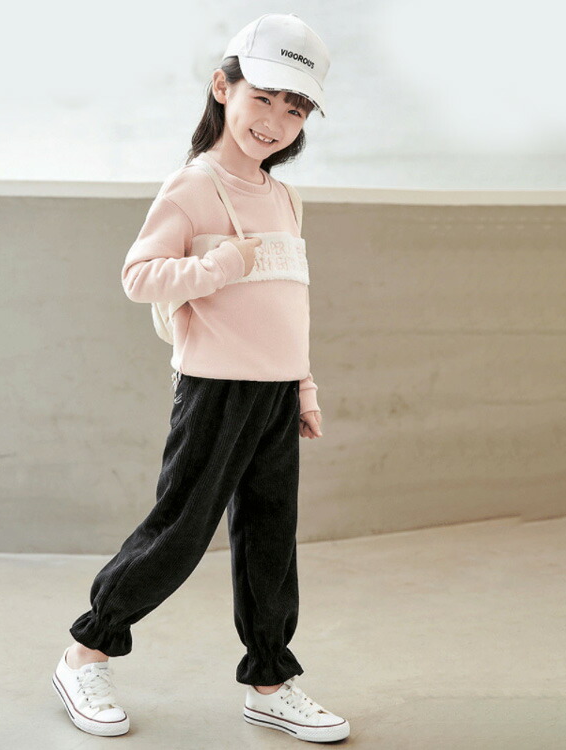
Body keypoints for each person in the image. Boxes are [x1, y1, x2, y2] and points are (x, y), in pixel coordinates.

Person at [52, 13, 350, 744]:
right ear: (223, 87)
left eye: (295, 108)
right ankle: (86, 652)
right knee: (181, 532)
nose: (275, 121)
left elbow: (290, 303)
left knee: (270, 540)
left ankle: (270, 680)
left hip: (275, 395)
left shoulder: (285, 198)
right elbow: (139, 276)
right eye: (263, 98)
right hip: (215, 391)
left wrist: (303, 387)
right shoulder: (192, 186)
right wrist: (217, 265)